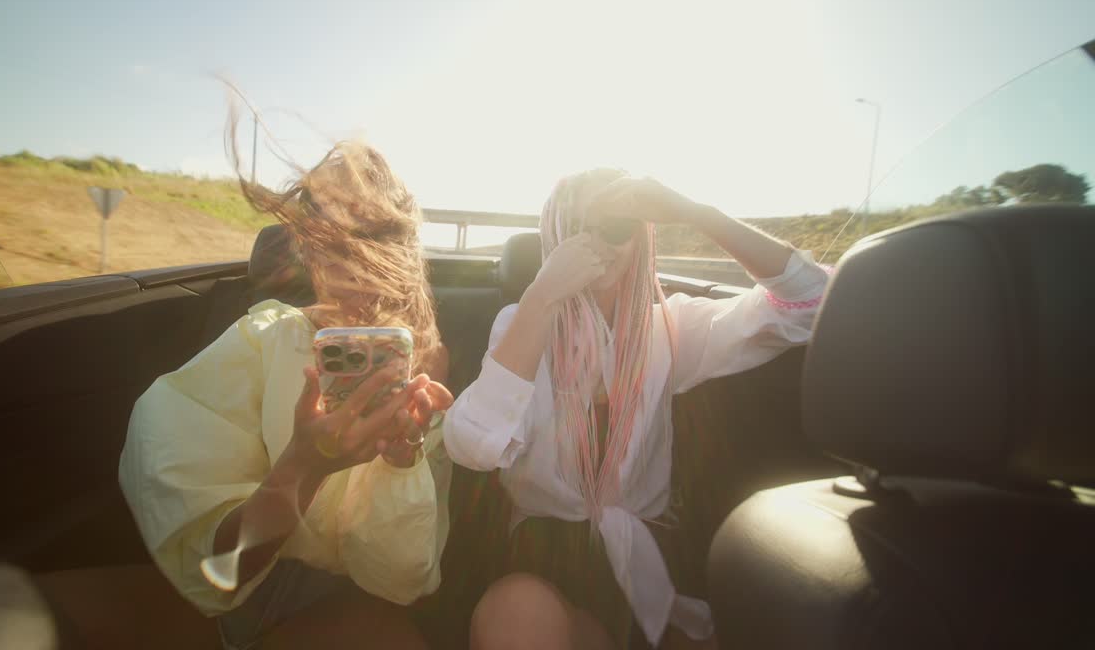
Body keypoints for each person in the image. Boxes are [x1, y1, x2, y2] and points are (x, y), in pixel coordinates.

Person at [444, 168, 829, 650]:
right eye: (576, 224)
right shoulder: (524, 322)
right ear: (554, 235)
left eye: (616, 224)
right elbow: (470, 444)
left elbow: (812, 302)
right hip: (546, 552)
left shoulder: (668, 328)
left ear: (640, 240)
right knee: (516, 617)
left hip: (651, 552)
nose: (596, 241)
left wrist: (697, 214)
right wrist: (543, 296)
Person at [119, 140, 455, 650]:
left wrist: (403, 459)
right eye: (323, 230)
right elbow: (223, 573)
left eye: (366, 231)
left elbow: (405, 576)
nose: (344, 251)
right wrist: (305, 465)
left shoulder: (427, 365)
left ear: (398, 244)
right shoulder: (264, 339)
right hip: (253, 585)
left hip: (361, 603)